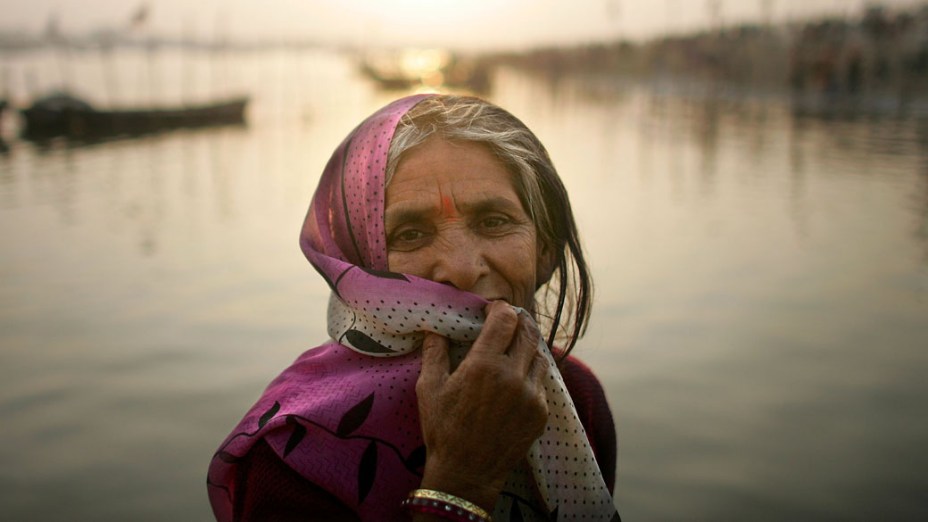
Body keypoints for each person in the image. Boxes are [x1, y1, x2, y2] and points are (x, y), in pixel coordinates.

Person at [207, 94, 619, 521]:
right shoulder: (293, 450)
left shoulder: (575, 396)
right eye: (411, 234)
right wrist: (461, 481)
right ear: (358, 261)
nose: (461, 270)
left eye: (494, 221)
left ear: (545, 249)